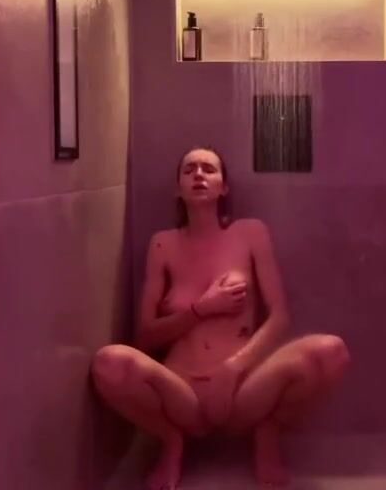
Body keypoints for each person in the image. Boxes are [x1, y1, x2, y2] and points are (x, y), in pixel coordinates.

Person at [91, 147, 351, 489]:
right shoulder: (163, 244)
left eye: (208, 169)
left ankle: (267, 433)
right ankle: (171, 441)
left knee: (331, 352)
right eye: (189, 170)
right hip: (181, 392)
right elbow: (146, 336)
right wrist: (202, 308)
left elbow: (279, 318)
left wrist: (234, 368)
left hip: (243, 390)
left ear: (223, 187)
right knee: (109, 363)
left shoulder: (250, 233)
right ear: (178, 188)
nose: (199, 174)